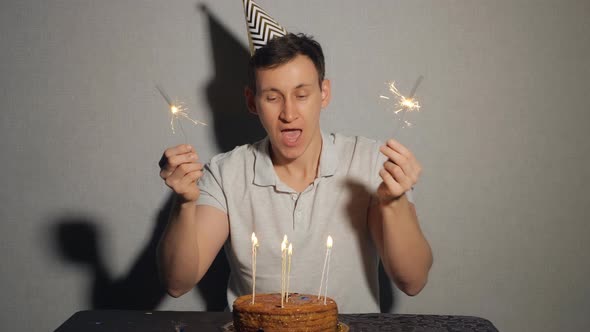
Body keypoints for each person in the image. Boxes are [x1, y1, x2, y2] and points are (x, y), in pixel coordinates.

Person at [156, 31, 432, 313]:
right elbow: (177, 283)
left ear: (324, 93)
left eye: (301, 95)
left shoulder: (370, 163)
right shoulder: (225, 172)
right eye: (272, 97)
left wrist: (393, 202)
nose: (289, 113)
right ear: (252, 102)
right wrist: (185, 203)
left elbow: (413, 281)